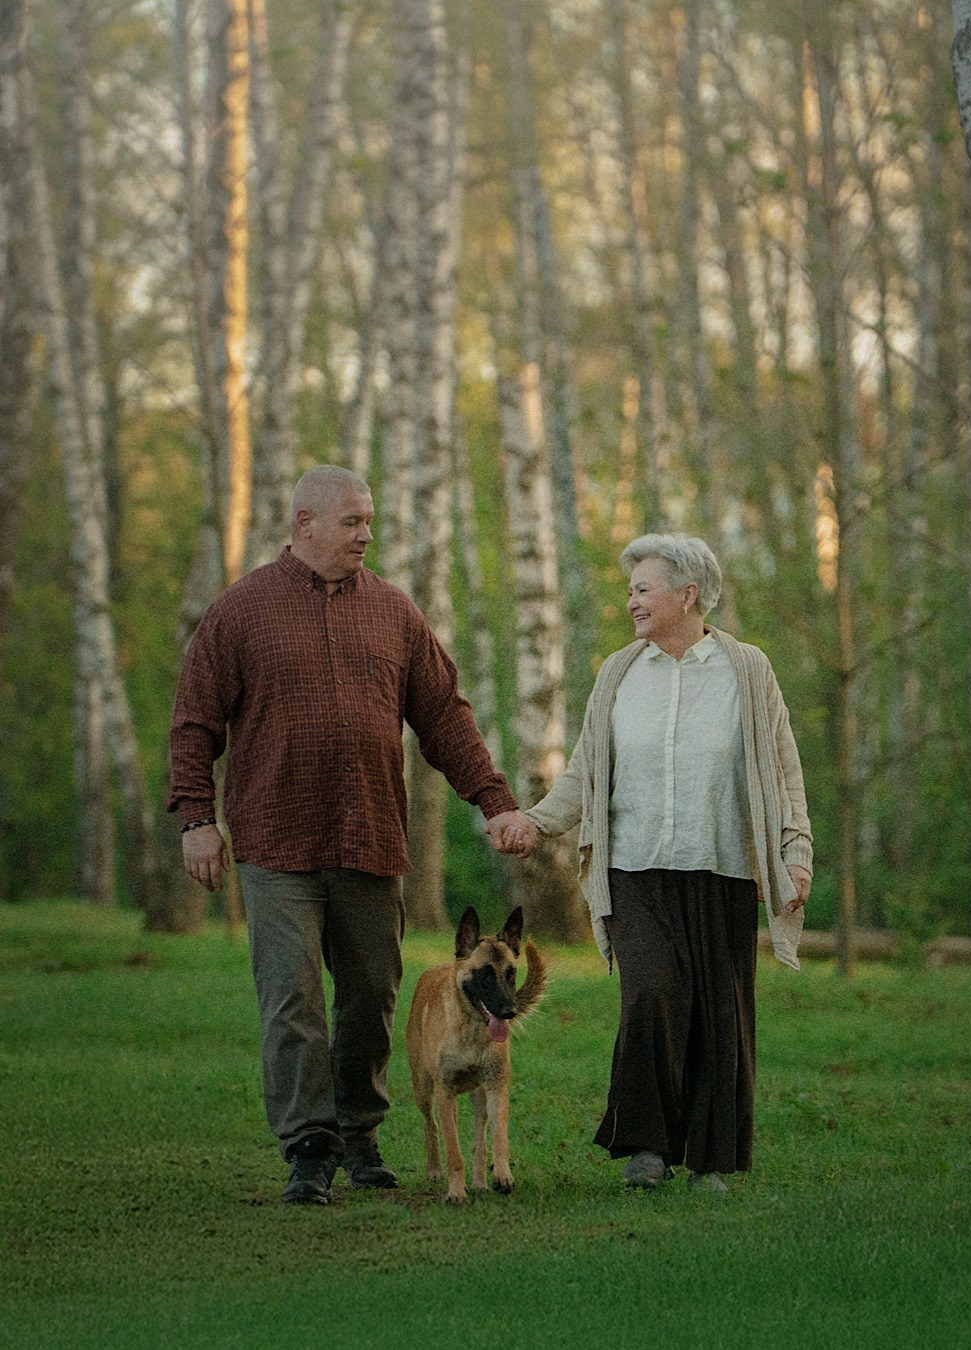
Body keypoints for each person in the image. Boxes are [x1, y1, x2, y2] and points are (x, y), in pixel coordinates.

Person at [168, 465, 534, 1205]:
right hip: (276, 843)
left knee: (371, 995)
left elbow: (445, 718)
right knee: (291, 997)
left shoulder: (394, 614)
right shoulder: (240, 613)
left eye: (370, 521)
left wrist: (493, 801)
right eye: (351, 522)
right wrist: (197, 819)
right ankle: (310, 1146)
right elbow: (194, 721)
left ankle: (361, 1132)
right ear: (304, 523)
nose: (366, 534)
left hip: (369, 837)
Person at [505, 533, 812, 1193]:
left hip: (721, 868)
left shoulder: (747, 670)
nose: (631, 603)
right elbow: (587, 770)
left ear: (688, 594)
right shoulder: (619, 673)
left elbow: (783, 771)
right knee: (651, 994)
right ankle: (647, 1146)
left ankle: (708, 1160)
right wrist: (535, 823)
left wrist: (795, 854)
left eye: (642, 589)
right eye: (630, 591)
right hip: (635, 870)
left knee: (718, 1013)